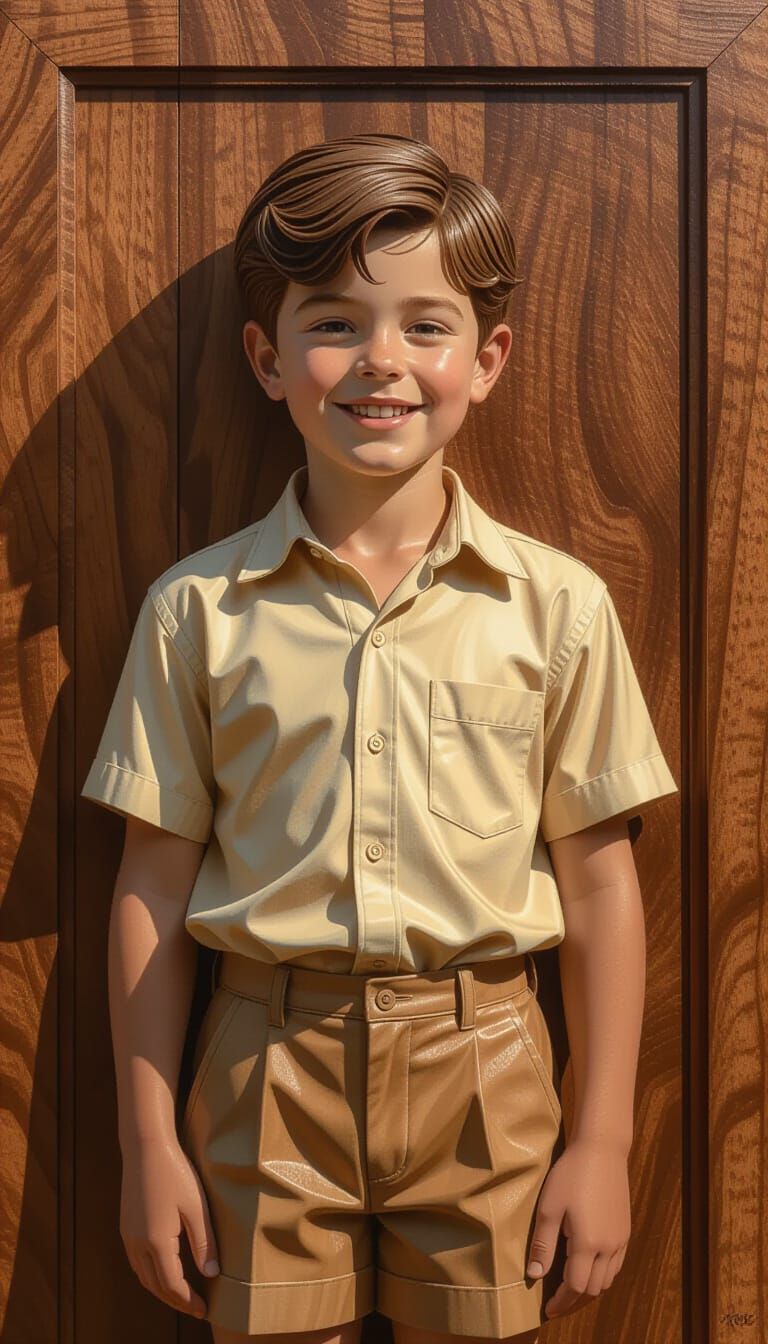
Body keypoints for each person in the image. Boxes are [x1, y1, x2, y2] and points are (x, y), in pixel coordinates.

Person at [81, 132, 679, 1344]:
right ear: (267, 357)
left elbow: (600, 883)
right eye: (335, 323)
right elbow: (151, 883)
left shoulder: (557, 609)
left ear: (488, 358)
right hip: (262, 1067)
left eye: (425, 324)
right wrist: (148, 1143)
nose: (382, 360)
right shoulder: (197, 613)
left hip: (488, 1069)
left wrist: (602, 1138)